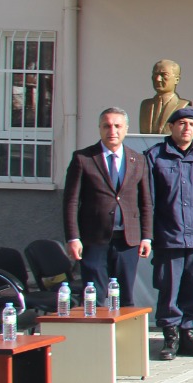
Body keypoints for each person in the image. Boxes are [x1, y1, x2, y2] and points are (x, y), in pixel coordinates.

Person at [145, 106, 193, 360]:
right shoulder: (156, 156)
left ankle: (188, 333)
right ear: (170, 127)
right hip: (169, 235)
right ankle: (170, 335)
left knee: (192, 286)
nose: (186, 128)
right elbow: (149, 200)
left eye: (191, 124)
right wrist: (150, 233)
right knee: (169, 287)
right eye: (181, 124)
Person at [63, 107, 152, 303]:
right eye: (107, 126)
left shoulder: (138, 160)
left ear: (126, 129)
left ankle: (124, 334)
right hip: (94, 239)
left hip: (127, 241)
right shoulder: (83, 158)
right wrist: (73, 237)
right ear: (100, 128)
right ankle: (98, 334)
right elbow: (71, 201)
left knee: (126, 296)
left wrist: (146, 237)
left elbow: (145, 202)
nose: (112, 131)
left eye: (118, 126)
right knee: (96, 297)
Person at [138, 58, 192, 135]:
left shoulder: (183, 106)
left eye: (164, 75)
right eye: (155, 74)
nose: (158, 79)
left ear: (177, 80)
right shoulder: (145, 105)